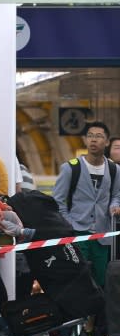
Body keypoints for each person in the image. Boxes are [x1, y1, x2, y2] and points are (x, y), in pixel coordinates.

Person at [52, 121, 120, 289]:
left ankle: (98, 315)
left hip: (103, 235)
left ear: (106, 141)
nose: (93, 140)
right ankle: (80, 314)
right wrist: (69, 224)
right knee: (79, 278)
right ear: (84, 140)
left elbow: (117, 194)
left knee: (102, 280)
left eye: (98, 137)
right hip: (77, 232)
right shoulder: (70, 168)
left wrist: (114, 205)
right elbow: (58, 201)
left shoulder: (114, 169)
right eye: (90, 136)